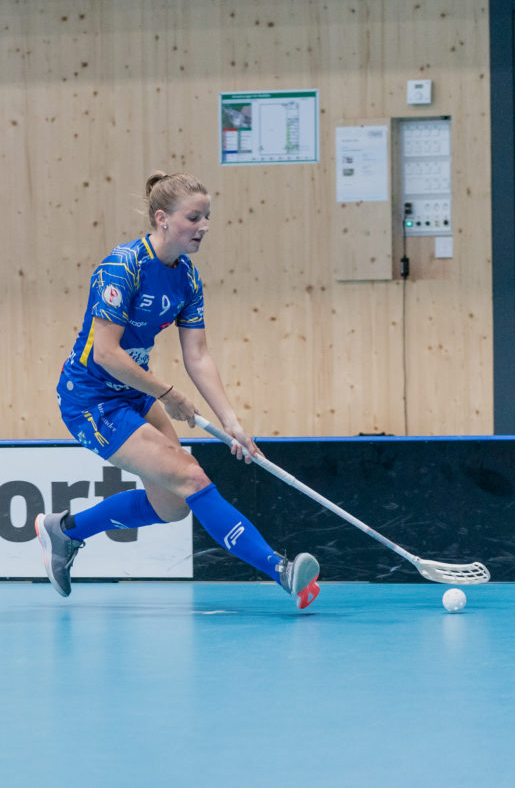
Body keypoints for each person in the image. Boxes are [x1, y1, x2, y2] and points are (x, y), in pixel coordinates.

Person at [37, 171, 321, 609]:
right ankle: (280, 570)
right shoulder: (122, 266)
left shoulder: (186, 276)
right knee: (191, 476)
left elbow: (198, 356)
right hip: (91, 399)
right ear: (162, 219)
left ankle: (65, 531)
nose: (204, 225)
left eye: (207, 216)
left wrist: (232, 423)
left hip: (134, 393)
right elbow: (106, 354)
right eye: (194, 217)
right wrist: (168, 394)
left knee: (171, 506)